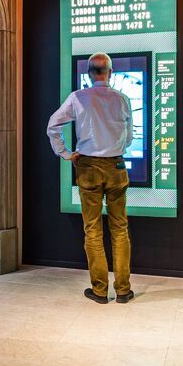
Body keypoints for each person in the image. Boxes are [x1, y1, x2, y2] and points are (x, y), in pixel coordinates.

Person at [46, 52, 135, 304]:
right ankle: (123, 290)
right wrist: (119, 148)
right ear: (111, 72)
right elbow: (129, 136)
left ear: (88, 74)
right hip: (117, 165)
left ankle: (99, 290)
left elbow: (53, 125)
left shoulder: (78, 97)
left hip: (88, 167)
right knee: (120, 228)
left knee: (93, 229)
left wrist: (64, 153)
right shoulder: (123, 99)